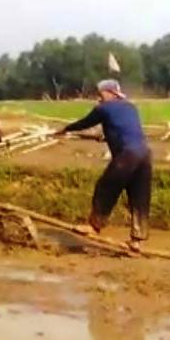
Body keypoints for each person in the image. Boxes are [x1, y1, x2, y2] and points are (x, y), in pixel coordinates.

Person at [58, 79, 151, 251]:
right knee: (139, 197)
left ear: (110, 93)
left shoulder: (103, 108)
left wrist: (66, 129)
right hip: (144, 155)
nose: (99, 99)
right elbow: (123, 128)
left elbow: (85, 123)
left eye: (100, 95)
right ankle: (137, 240)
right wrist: (105, 136)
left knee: (105, 187)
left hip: (127, 155)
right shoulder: (130, 107)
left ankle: (94, 226)